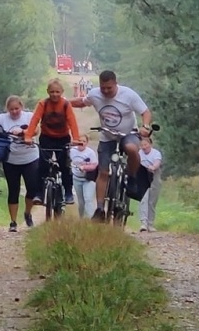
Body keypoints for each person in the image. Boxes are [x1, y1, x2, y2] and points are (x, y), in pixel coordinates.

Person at [70, 69, 150, 220]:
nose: (106, 91)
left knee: (131, 148)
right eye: (103, 88)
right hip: (107, 135)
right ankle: (100, 209)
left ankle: (132, 177)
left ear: (116, 84)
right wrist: (62, 102)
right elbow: (82, 102)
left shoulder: (128, 95)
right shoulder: (94, 94)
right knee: (103, 171)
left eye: (109, 88)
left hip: (129, 133)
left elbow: (145, 112)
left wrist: (145, 126)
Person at [26, 79, 83, 215]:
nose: (55, 94)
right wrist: (28, 136)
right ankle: (39, 193)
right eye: (52, 92)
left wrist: (76, 138)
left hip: (63, 138)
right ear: (48, 92)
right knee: (43, 166)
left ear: (62, 92)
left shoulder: (66, 104)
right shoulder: (43, 104)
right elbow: (35, 120)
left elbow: (72, 121)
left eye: (57, 92)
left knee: (65, 166)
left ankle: (68, 193)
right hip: (46, 137)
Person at [0, 95, 39, 232]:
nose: (14, 111)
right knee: (13, 190)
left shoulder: (29, 116)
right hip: (11, 159)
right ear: (7, 109)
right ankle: (13, 222)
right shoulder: (2, 118)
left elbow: (36, 130)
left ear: (21, 107)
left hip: (30, 157)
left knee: (32, 188)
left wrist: (23, 132)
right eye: (11, 109)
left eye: (16, 109)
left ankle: (27, 212)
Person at [137, 129, 163, 231]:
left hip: (154, 177)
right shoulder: (139, 153)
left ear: (150, 144)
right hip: (143, 177)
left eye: (146, 144)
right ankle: (143, 223)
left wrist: (153, 167)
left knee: (152, 202)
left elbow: (157, 163)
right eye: (142, 145)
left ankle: (150, 224)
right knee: (143, 200)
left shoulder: (156, 153)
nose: (144, 147)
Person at [69, 139, 99, 218]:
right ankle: (82, 219)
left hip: (88, 179)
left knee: (88, 200)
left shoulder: (90, 153)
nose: (81, 143)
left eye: (84, 141)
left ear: (87, 143)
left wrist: (84, 167)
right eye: (79, 140)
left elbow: (94, 166)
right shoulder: (72, 151)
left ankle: (90, 219)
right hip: (76, 178)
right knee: (81, 202)